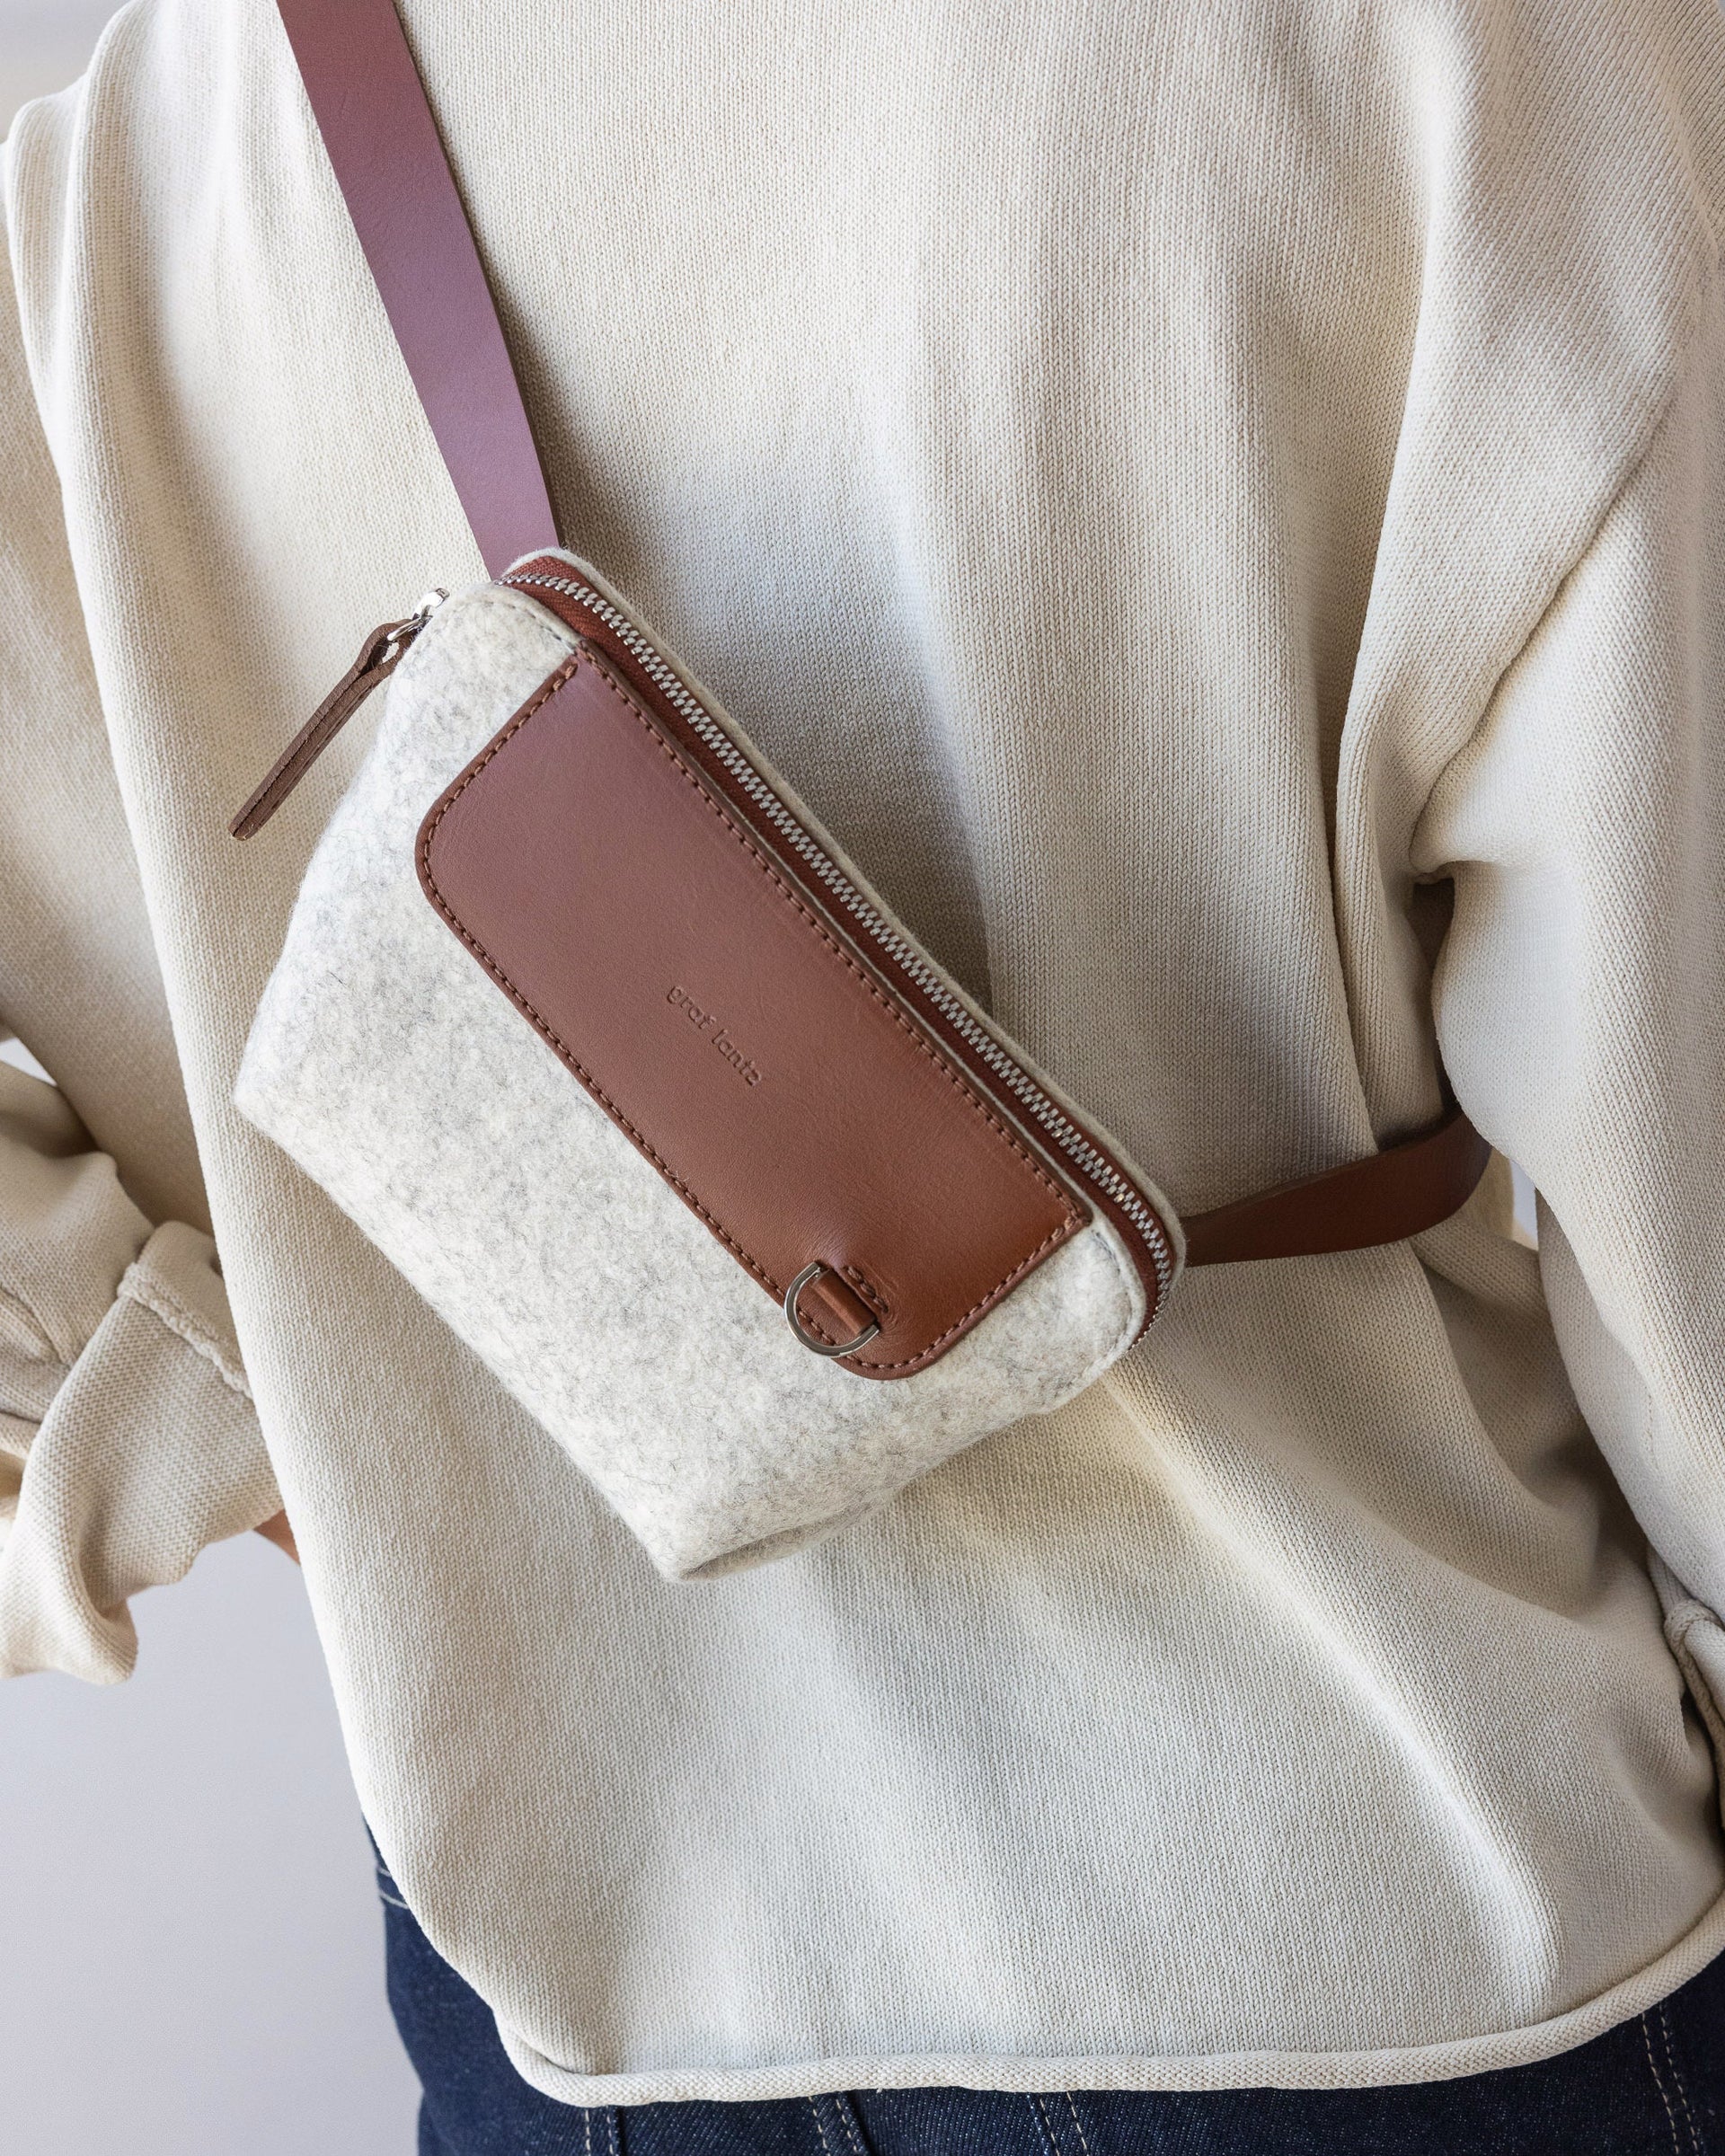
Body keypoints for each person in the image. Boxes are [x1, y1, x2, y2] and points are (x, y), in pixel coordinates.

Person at [2, 1, 1723, 2150]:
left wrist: (257, 1406)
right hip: (1384, 1933)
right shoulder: (1468, 52)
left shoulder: (149, 146)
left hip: (581, 1988)